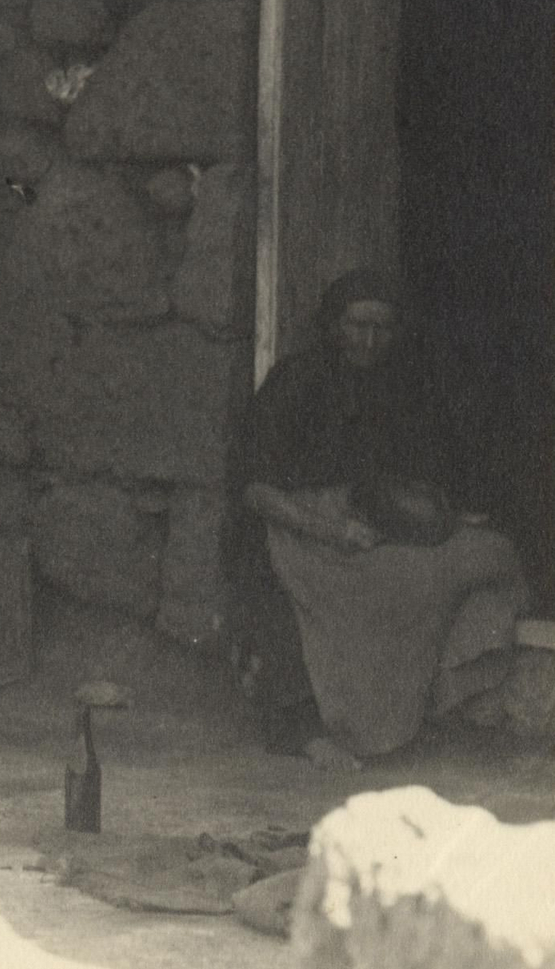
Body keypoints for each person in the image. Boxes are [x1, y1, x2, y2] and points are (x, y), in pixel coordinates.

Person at [224, 269, 527, 770]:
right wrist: (329, 529)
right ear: (333, 326)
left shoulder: (403, 388)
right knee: (373, 589)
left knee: (489, 553)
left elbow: (413, 477)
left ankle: (424, 705)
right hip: (300, 528)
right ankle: (326, 727)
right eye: (357, 325)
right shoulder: (296, 381)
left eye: (382, 328)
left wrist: (443, 516)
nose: (369, 340)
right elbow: (256, 489)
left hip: (374, 525)